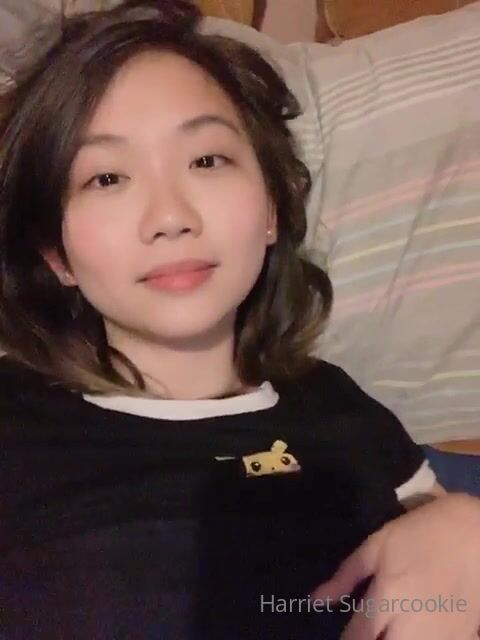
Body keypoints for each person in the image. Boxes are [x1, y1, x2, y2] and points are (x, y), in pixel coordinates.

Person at [0, 1, 478, 638]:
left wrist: (462, 529)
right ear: (55, 254)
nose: (170, 216)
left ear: (272, 209)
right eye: (107, 177)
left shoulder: (337, 406)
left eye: (207, 160)